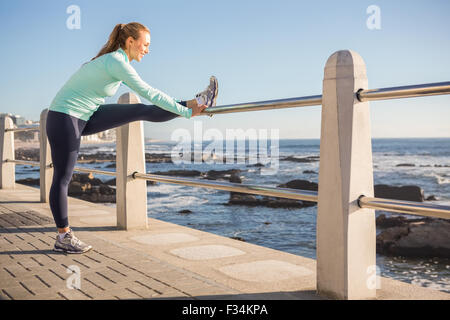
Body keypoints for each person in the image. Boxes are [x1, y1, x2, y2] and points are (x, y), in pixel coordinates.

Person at [46, 22, 218, 254]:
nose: (147, 49)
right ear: (130, 42)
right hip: (65, 117)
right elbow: (151, 92)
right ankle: (63, 237)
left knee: (140, 110)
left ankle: (199, 101)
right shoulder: (117, 62)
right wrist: (186, 114)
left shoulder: (115, 60)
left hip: (85, 114)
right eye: (145, 44)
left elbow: (149, 99)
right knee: (63, 178)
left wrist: (188, 109)